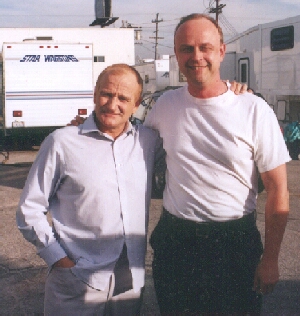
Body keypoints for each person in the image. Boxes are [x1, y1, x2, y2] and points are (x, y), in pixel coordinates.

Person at [144, 14, 290, 315]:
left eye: (204, 47)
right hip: (176, 242)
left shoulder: (254, 109)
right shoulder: (164, 106)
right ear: (176, 55)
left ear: (221, 51)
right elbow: (126, 142)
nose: (196, 57)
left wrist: (271, 258)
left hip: (235, 245)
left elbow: (278, 189)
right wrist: (84, 129)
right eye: (186, 49)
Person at [16, 64, 164, 315]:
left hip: (129, 285)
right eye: (107, 94)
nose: (112, 104)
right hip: (76, 282)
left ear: (136, 104)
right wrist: (59, 260)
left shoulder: (148, 142)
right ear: (95, 94)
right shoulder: (62, 142)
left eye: (123, 98)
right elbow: (29, 209)